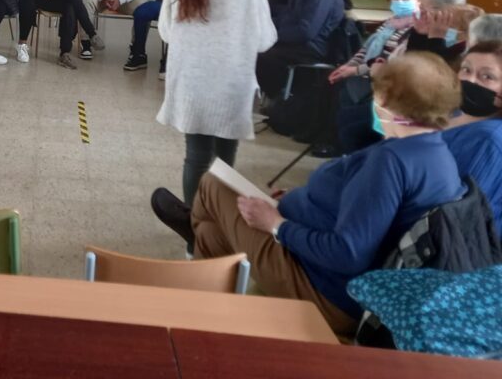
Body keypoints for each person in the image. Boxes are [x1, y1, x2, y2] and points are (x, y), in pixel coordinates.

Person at [158, 52, 465, 336]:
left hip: (325, 291)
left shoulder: (390, 162)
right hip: (331, 275)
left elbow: (348, 253)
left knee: (213, 186)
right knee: (211, 233)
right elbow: (367, 211)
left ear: (385, 98)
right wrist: (306, 202)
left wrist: (276, 225)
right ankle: (205, 313)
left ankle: (194, 256)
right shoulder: (435, 152)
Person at [149, 0, 276, 242]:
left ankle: (193, 230)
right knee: (225, 160)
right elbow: (265, 39)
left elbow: (165, 31)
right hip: (231, 86)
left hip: (191, 82)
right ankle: (217, 230)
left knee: (195, 157)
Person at [329, 0, 425, 153]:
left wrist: (355, 70)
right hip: (368, 73)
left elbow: (387, 60)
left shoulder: (416, 29)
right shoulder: (390, 22)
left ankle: (345, 148)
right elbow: (366, 48)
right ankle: (337, 144)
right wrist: (349, 65)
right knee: (337, 88)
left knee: (348, 102)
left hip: (385, 80)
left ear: (418, 0)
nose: (400, 3)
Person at [255, 0, 344, 98]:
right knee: (258, 44)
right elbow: (289, 15)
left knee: (263, 53)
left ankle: (278, 99)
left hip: (312, 47)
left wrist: (273, 35)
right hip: (299, 41)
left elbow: (306, 31)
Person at [442, 41, 502, 233]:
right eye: (466, 70)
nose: (470, 81)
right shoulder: (453, 113)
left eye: (487, 76)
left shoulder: (487, 140)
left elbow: (458, 217)